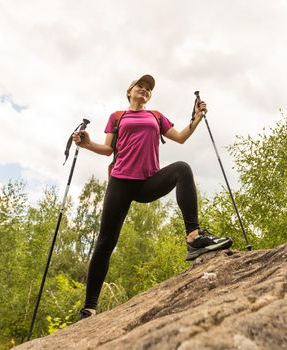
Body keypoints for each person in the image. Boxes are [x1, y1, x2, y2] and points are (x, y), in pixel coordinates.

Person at [72, 74, 233, 319]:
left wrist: (197, 119)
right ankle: (89, 308)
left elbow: (180, 137)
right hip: (120, 182)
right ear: (130, 91)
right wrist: (87, 144)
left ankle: (193, 237)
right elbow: (107, 150)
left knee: (182, 169)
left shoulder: (155, 116)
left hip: (147, 183)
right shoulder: (117, 117)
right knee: (106, 243)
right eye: (141, 86)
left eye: (148, 89)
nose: (145, 90)